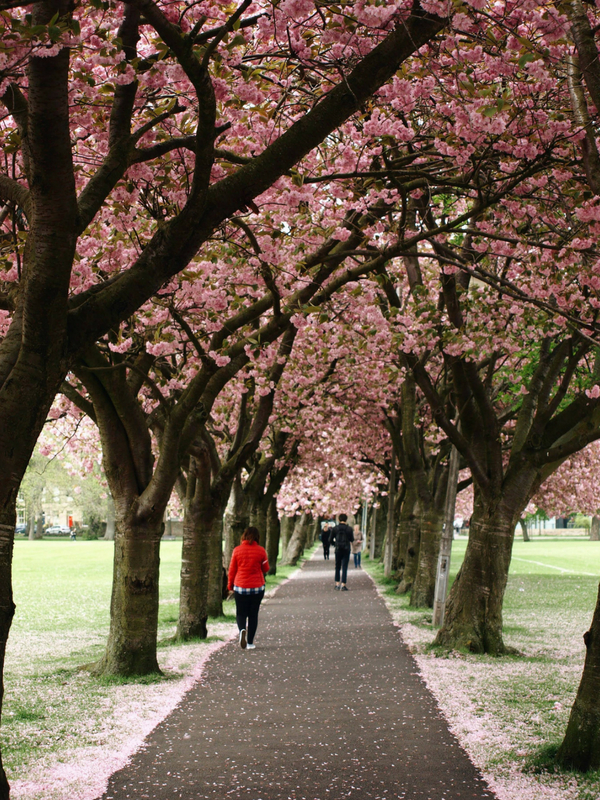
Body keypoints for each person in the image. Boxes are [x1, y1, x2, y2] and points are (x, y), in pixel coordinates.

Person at [228, 526, 270, 650]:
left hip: (240, 587)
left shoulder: (237, 550)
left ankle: (242, 630)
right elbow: (266, 568)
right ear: (257, 537)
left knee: (241, 613)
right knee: (253, 614)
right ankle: (250, 643)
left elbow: (232, 570)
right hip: (257, 588)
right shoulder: (261, 551)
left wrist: (230, 585)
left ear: (244, 536)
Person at [330, 514, 354, 591]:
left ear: (338, 519)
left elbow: (330, 539)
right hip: (346, 549)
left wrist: (335, 544)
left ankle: (337, 584)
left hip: (338, 549)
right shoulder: (349, 529)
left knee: (337, 566)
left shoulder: (335, 529)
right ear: (346, 520)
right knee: (344, 567)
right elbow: (352, 539)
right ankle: (343, 584)